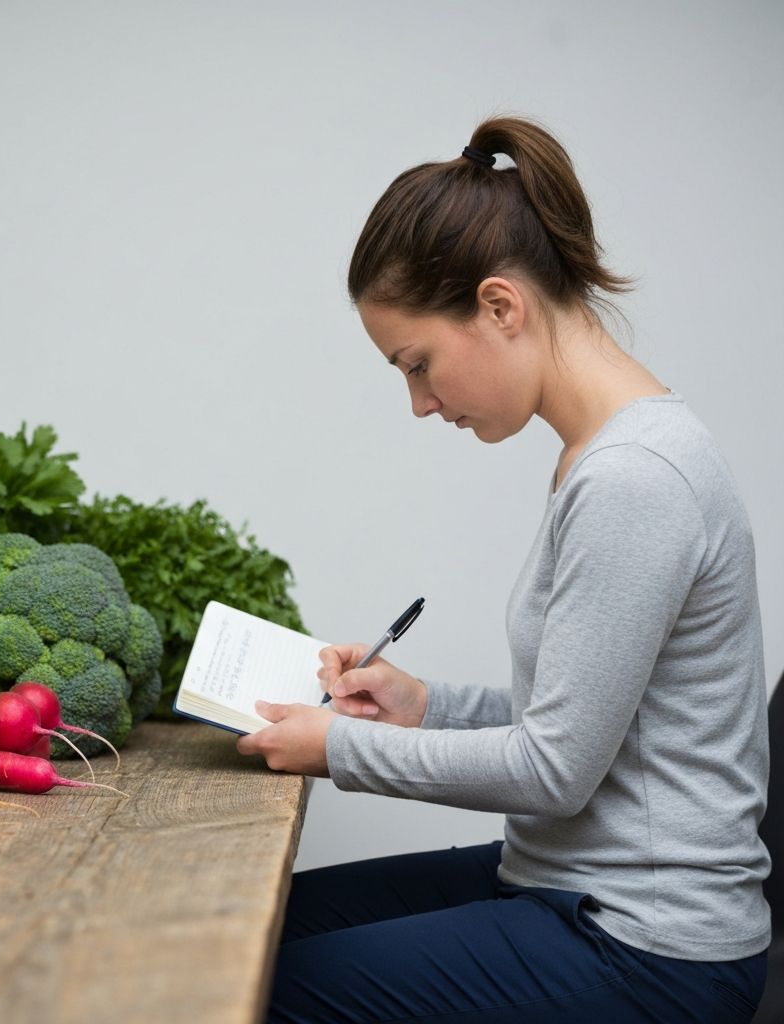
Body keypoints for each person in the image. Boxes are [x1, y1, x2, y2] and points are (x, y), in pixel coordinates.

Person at [236, 115, 771, 1023]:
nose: (419, 402)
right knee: (247, 931)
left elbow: (554, 770)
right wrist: (423, 707)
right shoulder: (600, 457)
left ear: (499, 307)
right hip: (571, 882)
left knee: (256, 990)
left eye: (418, 364)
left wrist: (340, 749)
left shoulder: (635, 478)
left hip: (649, 946)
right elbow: (584, 721)